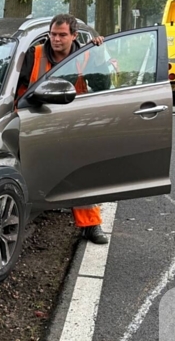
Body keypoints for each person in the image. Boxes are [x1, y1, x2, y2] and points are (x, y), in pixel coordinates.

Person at [18, 14, 109, 245]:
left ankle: (90, 224)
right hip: (37, 117)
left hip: (73, 120)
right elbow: (18, 86)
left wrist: (99, 58)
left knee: (80, 171)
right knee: (28, 167)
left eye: (62, 35)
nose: (56, 39)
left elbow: (103, 86)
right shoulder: (35, 54)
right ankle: (25, 215)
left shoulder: (88, 54)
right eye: (53, 34)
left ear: (74, 36)